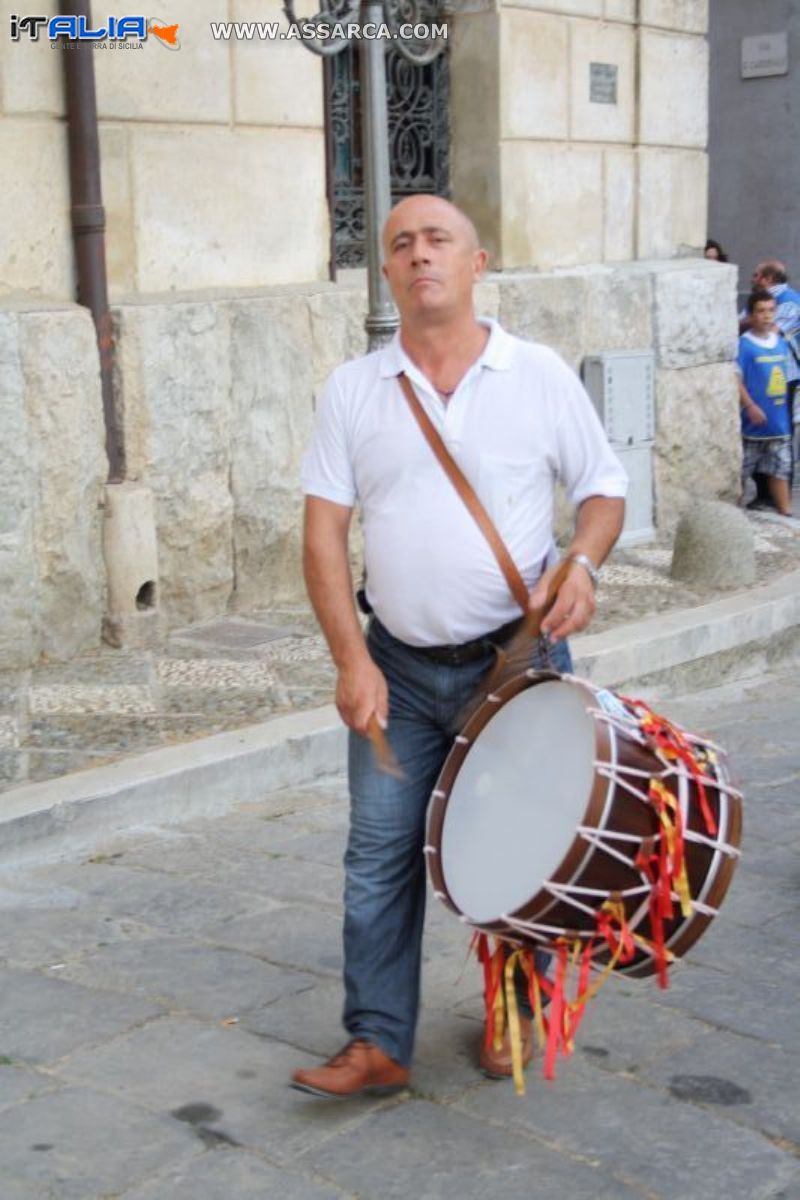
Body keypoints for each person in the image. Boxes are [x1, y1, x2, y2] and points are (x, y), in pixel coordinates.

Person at [294, 194, 627, 1099]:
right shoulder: (353, 390)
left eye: (438, 239)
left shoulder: (539, 374)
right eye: (401, 244)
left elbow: (603, 491)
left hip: (514, 664)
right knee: (377, 853)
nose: (418, 254)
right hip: (395, 665)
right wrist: (350, 661)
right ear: (389, 273)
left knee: (528, 845)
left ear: (477, 263)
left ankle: (515, 1009)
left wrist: (585, 565)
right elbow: (323, 535)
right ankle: (377, 1042)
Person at [742, 261, 800, 508]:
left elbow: (779, 336)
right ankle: (761, 497)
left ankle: (781, 508)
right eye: (762, 311)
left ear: (768, 278)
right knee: (750, 458)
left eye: (769, 311)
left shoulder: (789, 301)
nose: (767, 316)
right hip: (757, 399)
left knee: (781, 456)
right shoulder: (745, 343)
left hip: (780, 390)